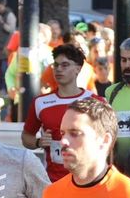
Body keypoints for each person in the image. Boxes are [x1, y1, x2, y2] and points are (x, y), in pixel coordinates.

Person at [23, 44, 103, 181]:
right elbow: (26, 137)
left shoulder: (95, 101)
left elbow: (107, 139)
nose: (59, 69)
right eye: (56, 65)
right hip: (53, 180)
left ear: (78, 69)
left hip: (87, 180)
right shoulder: (40, 102)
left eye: (65, 65)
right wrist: (39, 142)